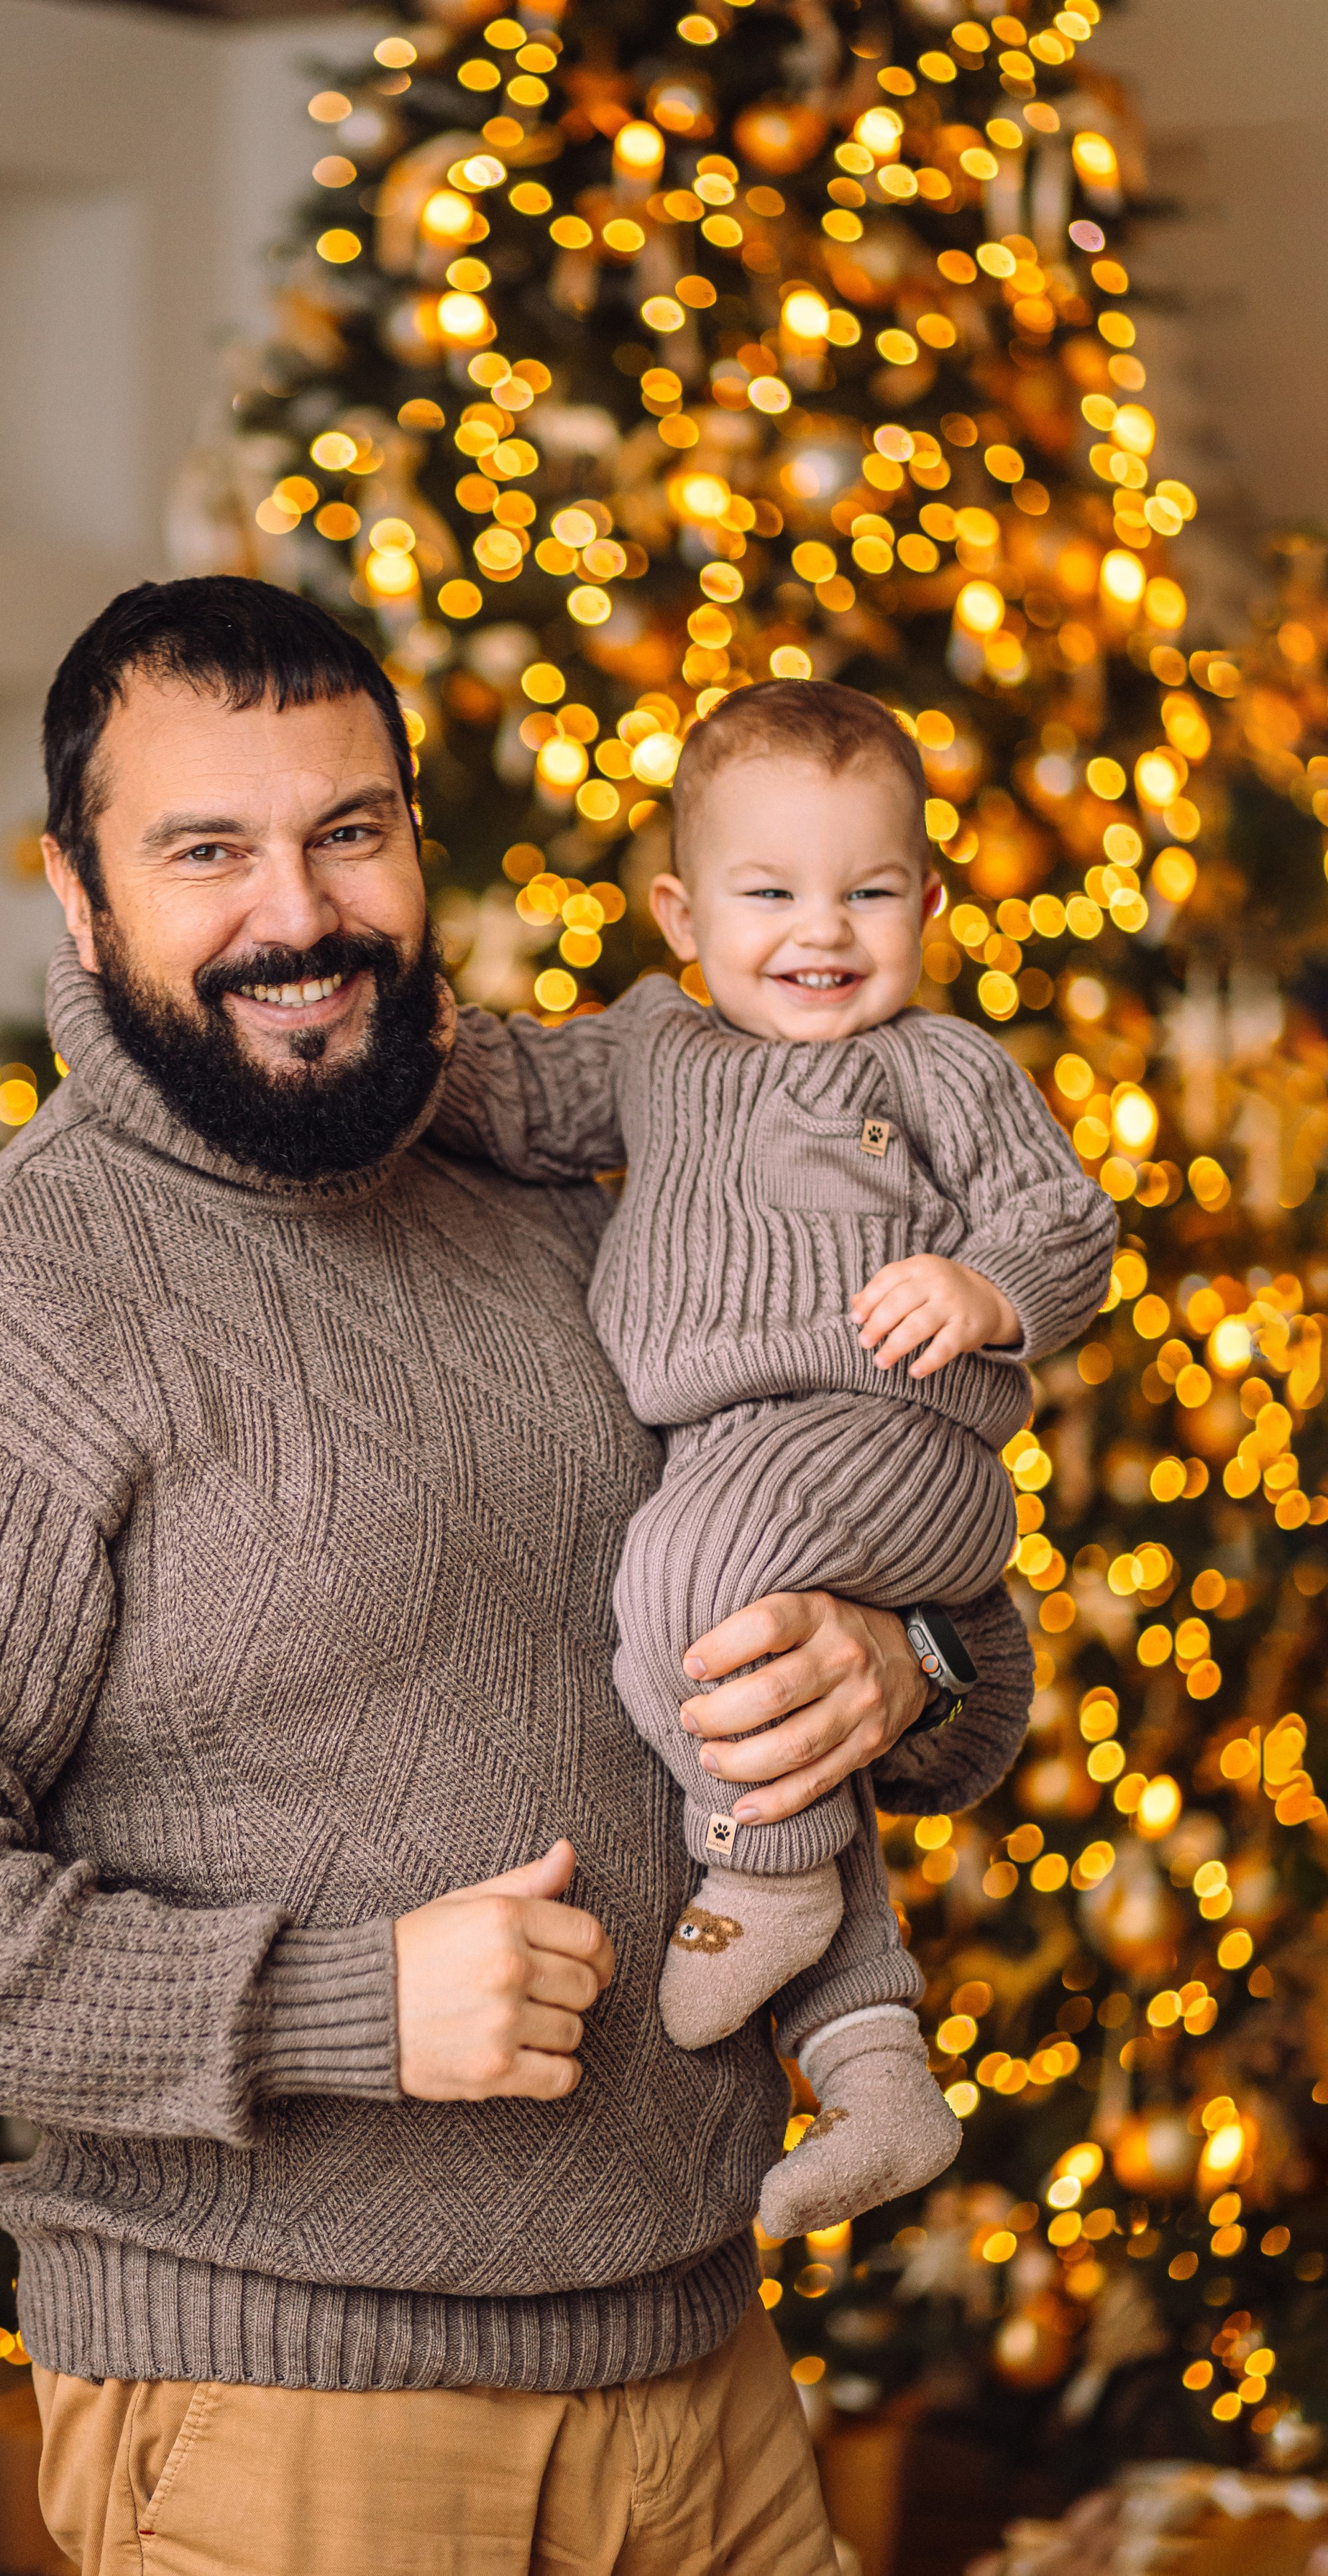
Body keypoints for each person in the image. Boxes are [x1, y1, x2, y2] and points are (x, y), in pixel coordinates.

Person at [0, 581, 1032, 2576]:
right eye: (207, 852)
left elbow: (933, 1646)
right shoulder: (0, 1327)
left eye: (350, 830)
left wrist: (906, 1661)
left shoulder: (574, 1190)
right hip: (289, 2427)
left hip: (706, 2381)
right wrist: (340, 2003)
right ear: (81, 899)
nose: (302, 911)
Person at [430, 678, 1114, 2238]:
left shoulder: (930, 1066)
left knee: (679, 1580)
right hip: (744, 1457)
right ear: (678, 913)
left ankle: (777, 1874)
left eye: (868, 891)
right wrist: (406, 1029)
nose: (823, 930)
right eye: (769, 892)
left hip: (897, 1434)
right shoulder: (655, 1046)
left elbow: (1063, 1218)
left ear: (927, 903)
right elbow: (522, 1092)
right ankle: (874, 2067)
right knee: (745, 1687)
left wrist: (985, 1292)